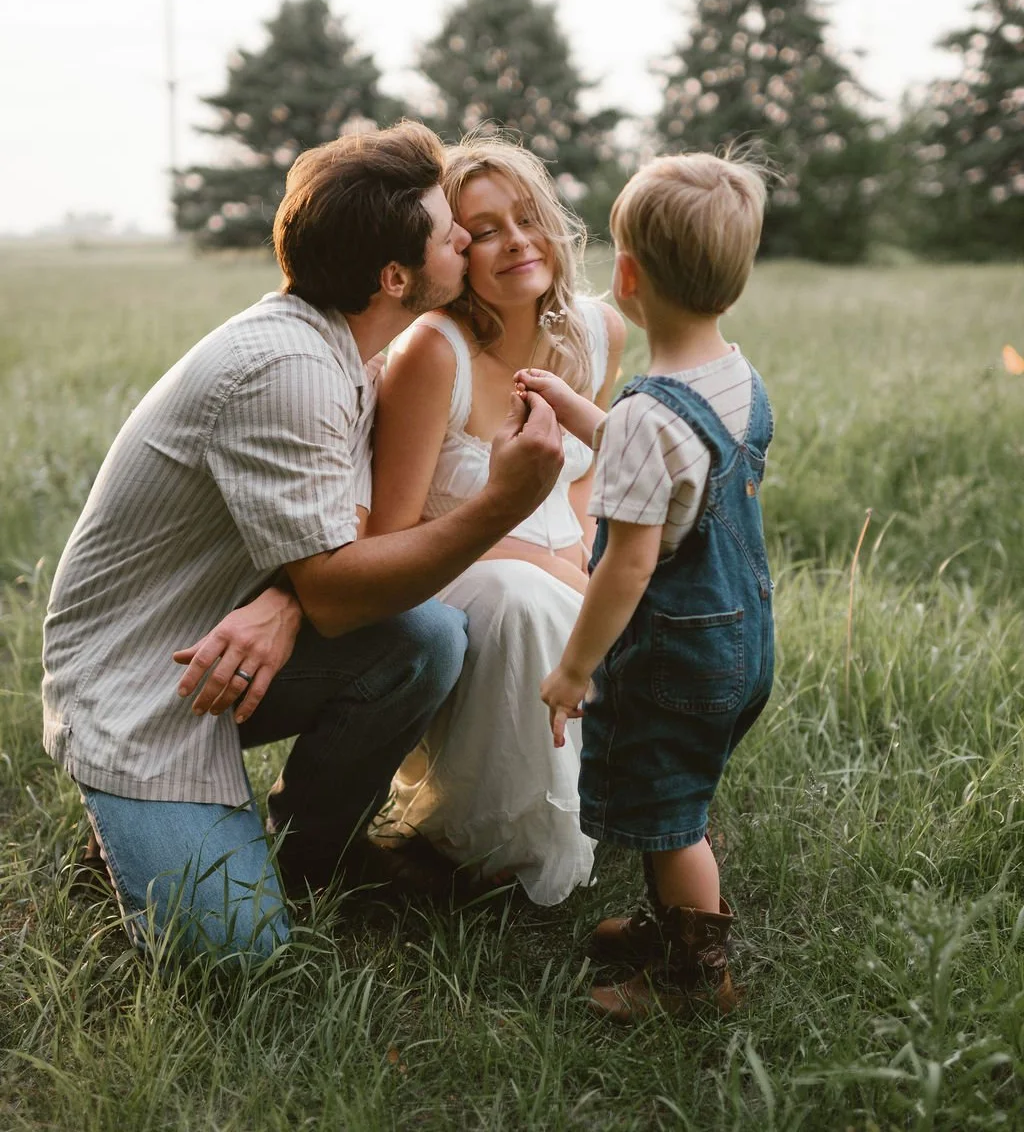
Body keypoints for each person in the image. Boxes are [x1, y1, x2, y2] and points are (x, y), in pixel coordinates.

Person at [41, 122, 564, 964]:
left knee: (426, 637)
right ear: (394, 277)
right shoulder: (289, 372)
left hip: (230, 644)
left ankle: (314, 855)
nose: (466, 241)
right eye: (448, 234)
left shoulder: (353, 346)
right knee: (238, 957)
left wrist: (290, 600)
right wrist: (504, 501)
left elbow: (341, 537)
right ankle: (126, 832)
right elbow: (338, 586)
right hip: (141, 681)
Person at [528, 149, 774, 1021]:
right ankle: (669, 924)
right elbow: (672, 470)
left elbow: (628, 562)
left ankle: (694, 978)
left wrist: (574, 668)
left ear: (627, 277)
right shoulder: (734, 378)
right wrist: (577, 409)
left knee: (673, 818)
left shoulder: (646, 416)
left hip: (675, 652)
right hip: (741, 638)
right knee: (679, 788)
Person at [369, 137, 625, 905]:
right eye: (483, 231)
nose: (515, 241)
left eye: (526, 218)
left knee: (637, 589)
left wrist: (589, 565)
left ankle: (614, 807)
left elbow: (581, 486)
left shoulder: (597, 332)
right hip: (454, 583)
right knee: (522, 598)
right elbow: (389, 539)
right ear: (454, 253)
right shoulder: (431, 353)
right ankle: (489, 844)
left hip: (565, 565)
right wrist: (545, 566)